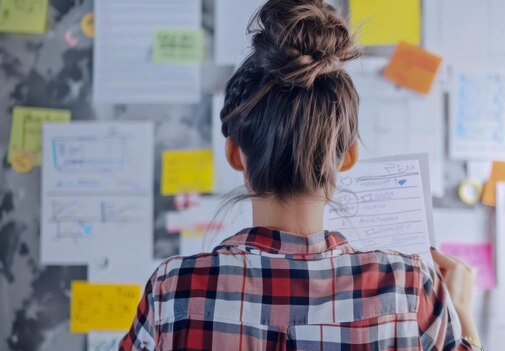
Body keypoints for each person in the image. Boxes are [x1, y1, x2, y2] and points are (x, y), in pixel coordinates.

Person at [120, 0, 483, 349]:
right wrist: (463, 317)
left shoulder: (174, 289)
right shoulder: (411, 286)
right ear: (348, 157)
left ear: (234, 155)